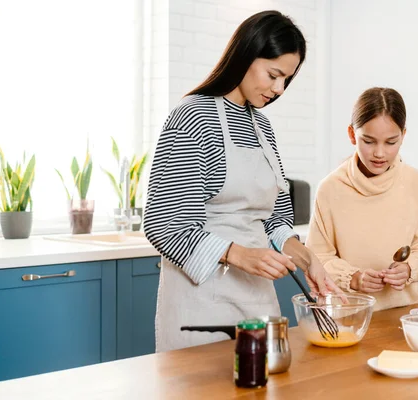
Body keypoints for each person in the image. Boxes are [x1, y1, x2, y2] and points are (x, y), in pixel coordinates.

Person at [144, 10, 342, 352]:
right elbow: (164, 223)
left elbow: (275, 219)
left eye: (287, 80)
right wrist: (239, 255)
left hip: (255, 297)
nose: (279, 89)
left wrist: (307, 258)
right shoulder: (192, 117)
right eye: (273, 74)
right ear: (246, 55)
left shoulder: (263, 128)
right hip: (201, 301)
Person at [306, 87, 418, 311]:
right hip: (347, 315)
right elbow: (317, 257)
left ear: (403, 136)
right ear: (352, 134)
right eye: (368, 141)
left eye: (391, 142)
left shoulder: (416, 183)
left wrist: (409, 269)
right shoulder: (330, 189)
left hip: (402, 314)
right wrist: (353, 278)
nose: (379, 153)